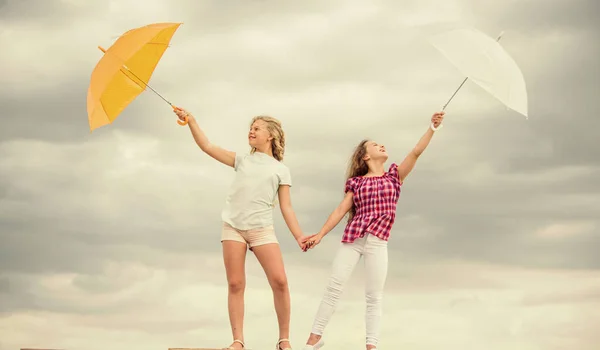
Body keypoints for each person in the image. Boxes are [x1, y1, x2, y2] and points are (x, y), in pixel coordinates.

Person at [301, 111, 446, 350]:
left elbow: (416, 152)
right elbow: (340, 211)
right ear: (366, 156)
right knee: (334, 286)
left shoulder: (394, 177)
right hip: (353, 239)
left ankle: (371, 346)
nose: (382, 145)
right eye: (375, 145)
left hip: (378, 242)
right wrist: (320, 234)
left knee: (374, 296)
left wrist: (432, 127)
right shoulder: (357, 183)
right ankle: (313, 339)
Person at [174, 108, 313, 350]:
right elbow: (207, 146)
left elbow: (286, 207)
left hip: (262, 229)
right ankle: (238, 341)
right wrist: (192, 121)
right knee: (236, 284)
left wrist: (299, 235)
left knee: (280, 281)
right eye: (251, 127)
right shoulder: (242, 160)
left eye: (257, 128)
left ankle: (284, 340)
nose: (252, 131)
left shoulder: (281, 169)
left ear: (270, 135)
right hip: (233, 227)